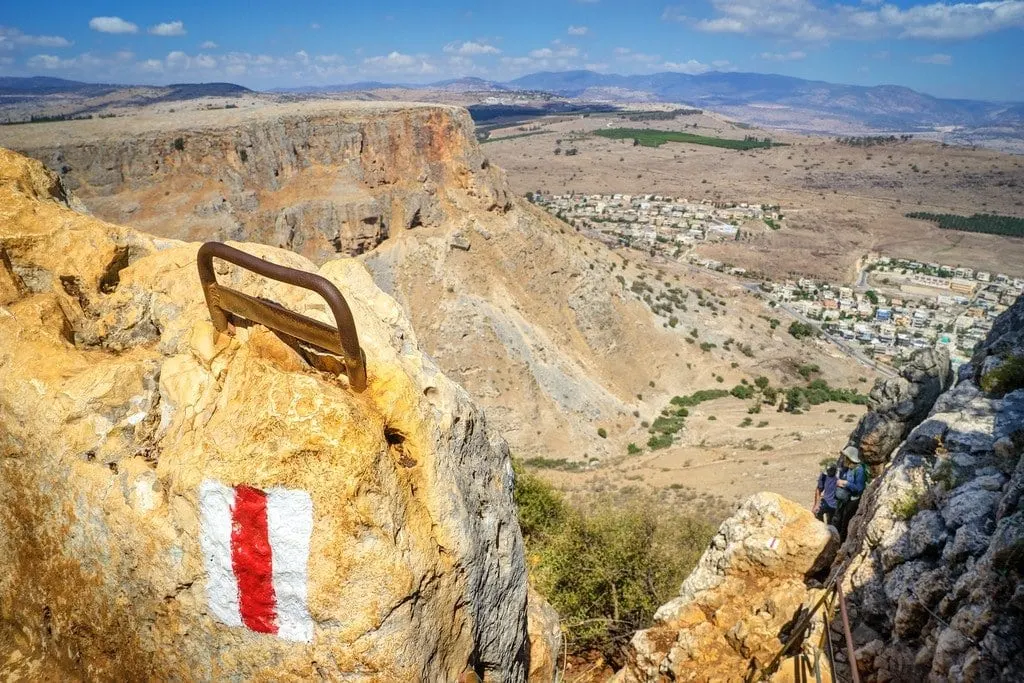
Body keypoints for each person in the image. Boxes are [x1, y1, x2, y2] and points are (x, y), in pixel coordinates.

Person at [833, 445, 867, 539]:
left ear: (850, 459)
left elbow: (859, 488)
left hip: (853, 501)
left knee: (845, 522)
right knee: (837, 519)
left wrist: (846, 483)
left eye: (846, 457)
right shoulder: (847, 468)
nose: (843, 459)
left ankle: (842, 541)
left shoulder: (859, 470)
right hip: (844, 499)